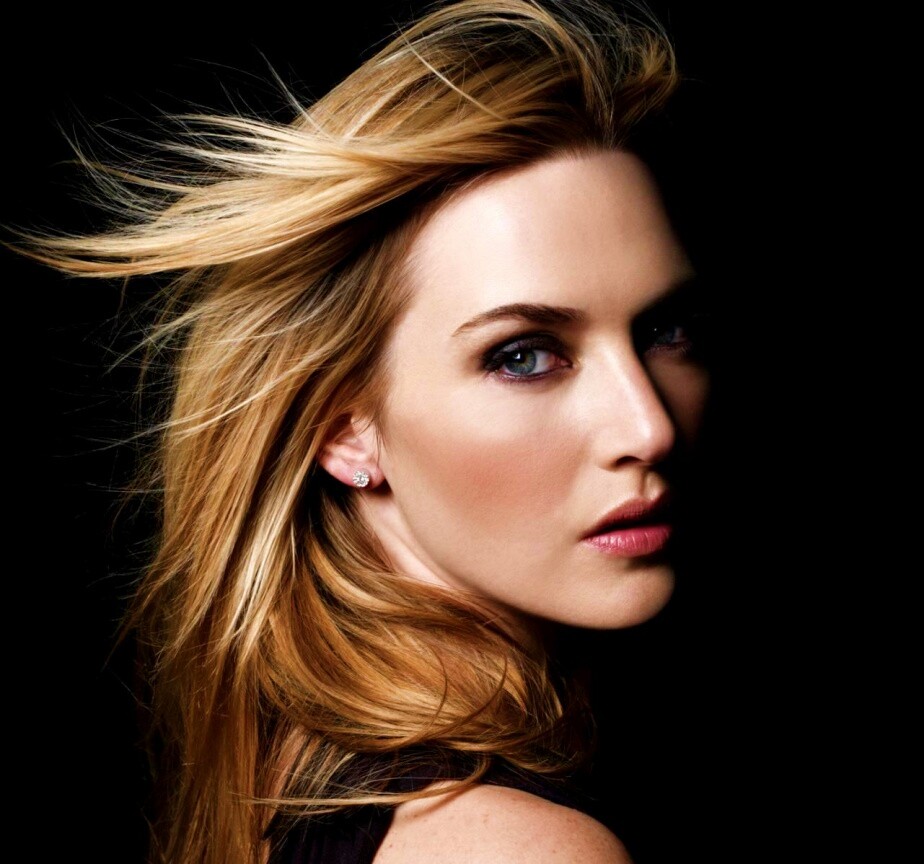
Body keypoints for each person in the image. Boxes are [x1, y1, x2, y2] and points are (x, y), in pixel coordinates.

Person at [8, 1, 713, 862]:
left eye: (663, 330)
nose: (648, 425)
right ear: (346, 430)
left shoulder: (302, 772)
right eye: (523, 356)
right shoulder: (510, 847)